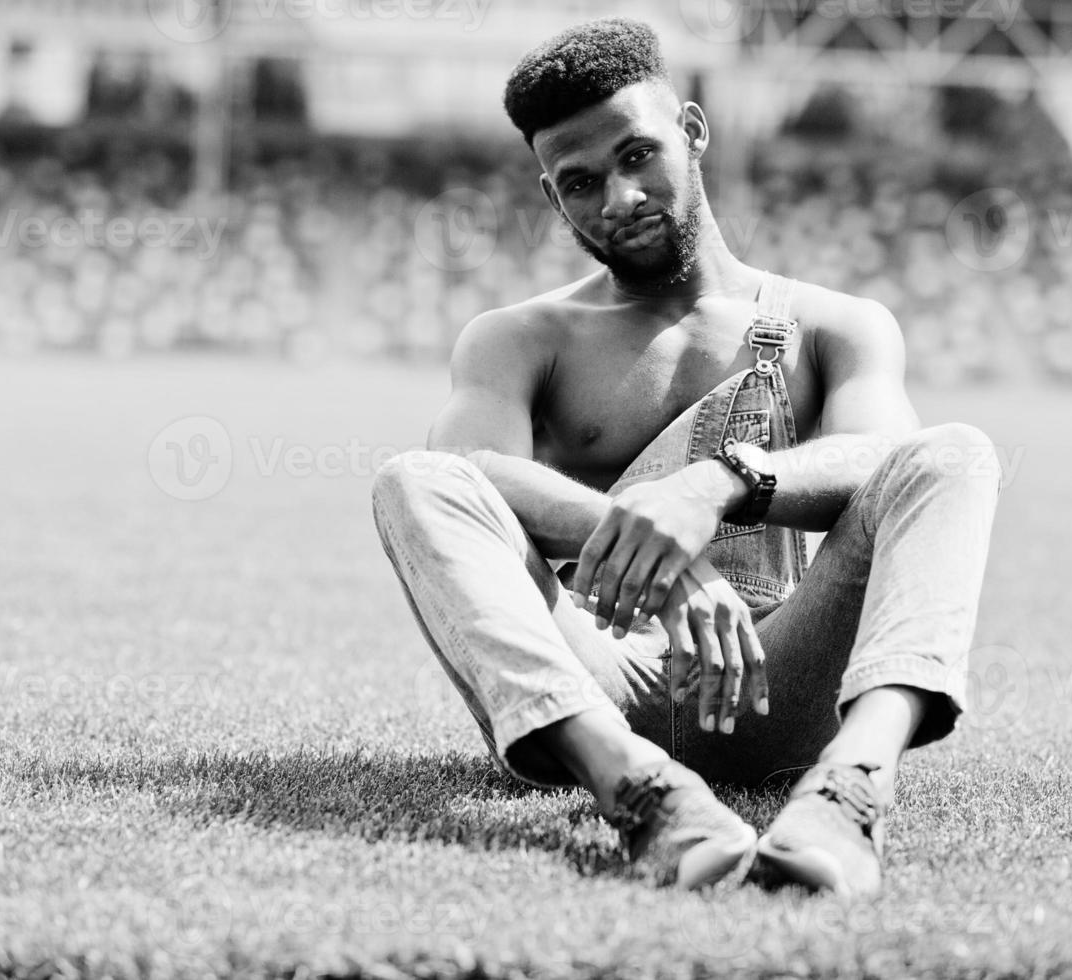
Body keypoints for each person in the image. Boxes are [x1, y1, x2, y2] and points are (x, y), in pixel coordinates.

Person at [372, 17, 1000, 898]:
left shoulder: (833, 323)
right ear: (553, 199)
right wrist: (655, 553)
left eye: (638, 155)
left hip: (775, 677)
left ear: (693, 132)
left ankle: (850, 792)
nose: (618, 199)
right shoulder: (520, 338)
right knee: (413, 478)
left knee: (955, 456)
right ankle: (642, 793)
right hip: (590, 677)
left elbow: (886, 459)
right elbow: (467, 468)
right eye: (579, 182)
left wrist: (717, 485)